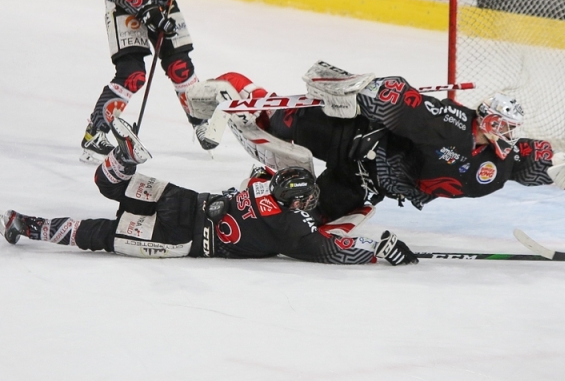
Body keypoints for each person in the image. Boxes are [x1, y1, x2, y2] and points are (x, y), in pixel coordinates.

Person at [182, 61, 565, 221]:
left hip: (371, 182)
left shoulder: (497, 162)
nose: (512, 136)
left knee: (308, 218)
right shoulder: (451, 121)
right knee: (269, 118)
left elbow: (535, 160)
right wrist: (367, 89)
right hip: (349, 138)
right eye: (507, 127)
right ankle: (226, 87)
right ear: (490, 120)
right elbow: (404, 101)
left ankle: (254, 194)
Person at [5, 117, 418, 266]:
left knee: (107, 184)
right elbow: (333, 251)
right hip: (178, 240)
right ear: (302, 202)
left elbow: (251, 178)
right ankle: (26, 224)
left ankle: (126, 156)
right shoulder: (293, 229)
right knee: (97, 234)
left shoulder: (261, 184)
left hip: (185, 201)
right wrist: (379, 249)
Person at [79, 0, 218, 164]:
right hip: (124, 1)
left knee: (180, 66)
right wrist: (148, 11)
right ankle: (94, 134)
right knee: (132, 74)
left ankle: (199, 121)